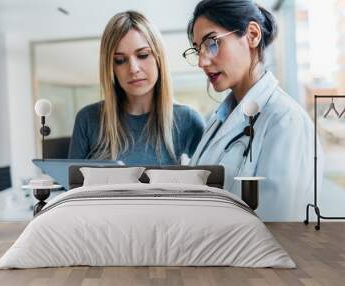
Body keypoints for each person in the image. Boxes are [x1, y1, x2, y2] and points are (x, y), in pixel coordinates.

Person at [184, 0, 322, 221]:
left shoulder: (285, 121)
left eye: (212, 43)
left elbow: (277, 229)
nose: (201, 61)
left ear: (252, 35)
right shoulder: (216, 120)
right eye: (197, 48)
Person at [68, 11, 204, 165]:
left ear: (159, 58)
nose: (133, 69)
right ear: (111, 68)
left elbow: (212, 182)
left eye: (143, 55)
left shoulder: (188, 120)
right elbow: (71, 185)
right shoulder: (87, 119)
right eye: (120, 60)